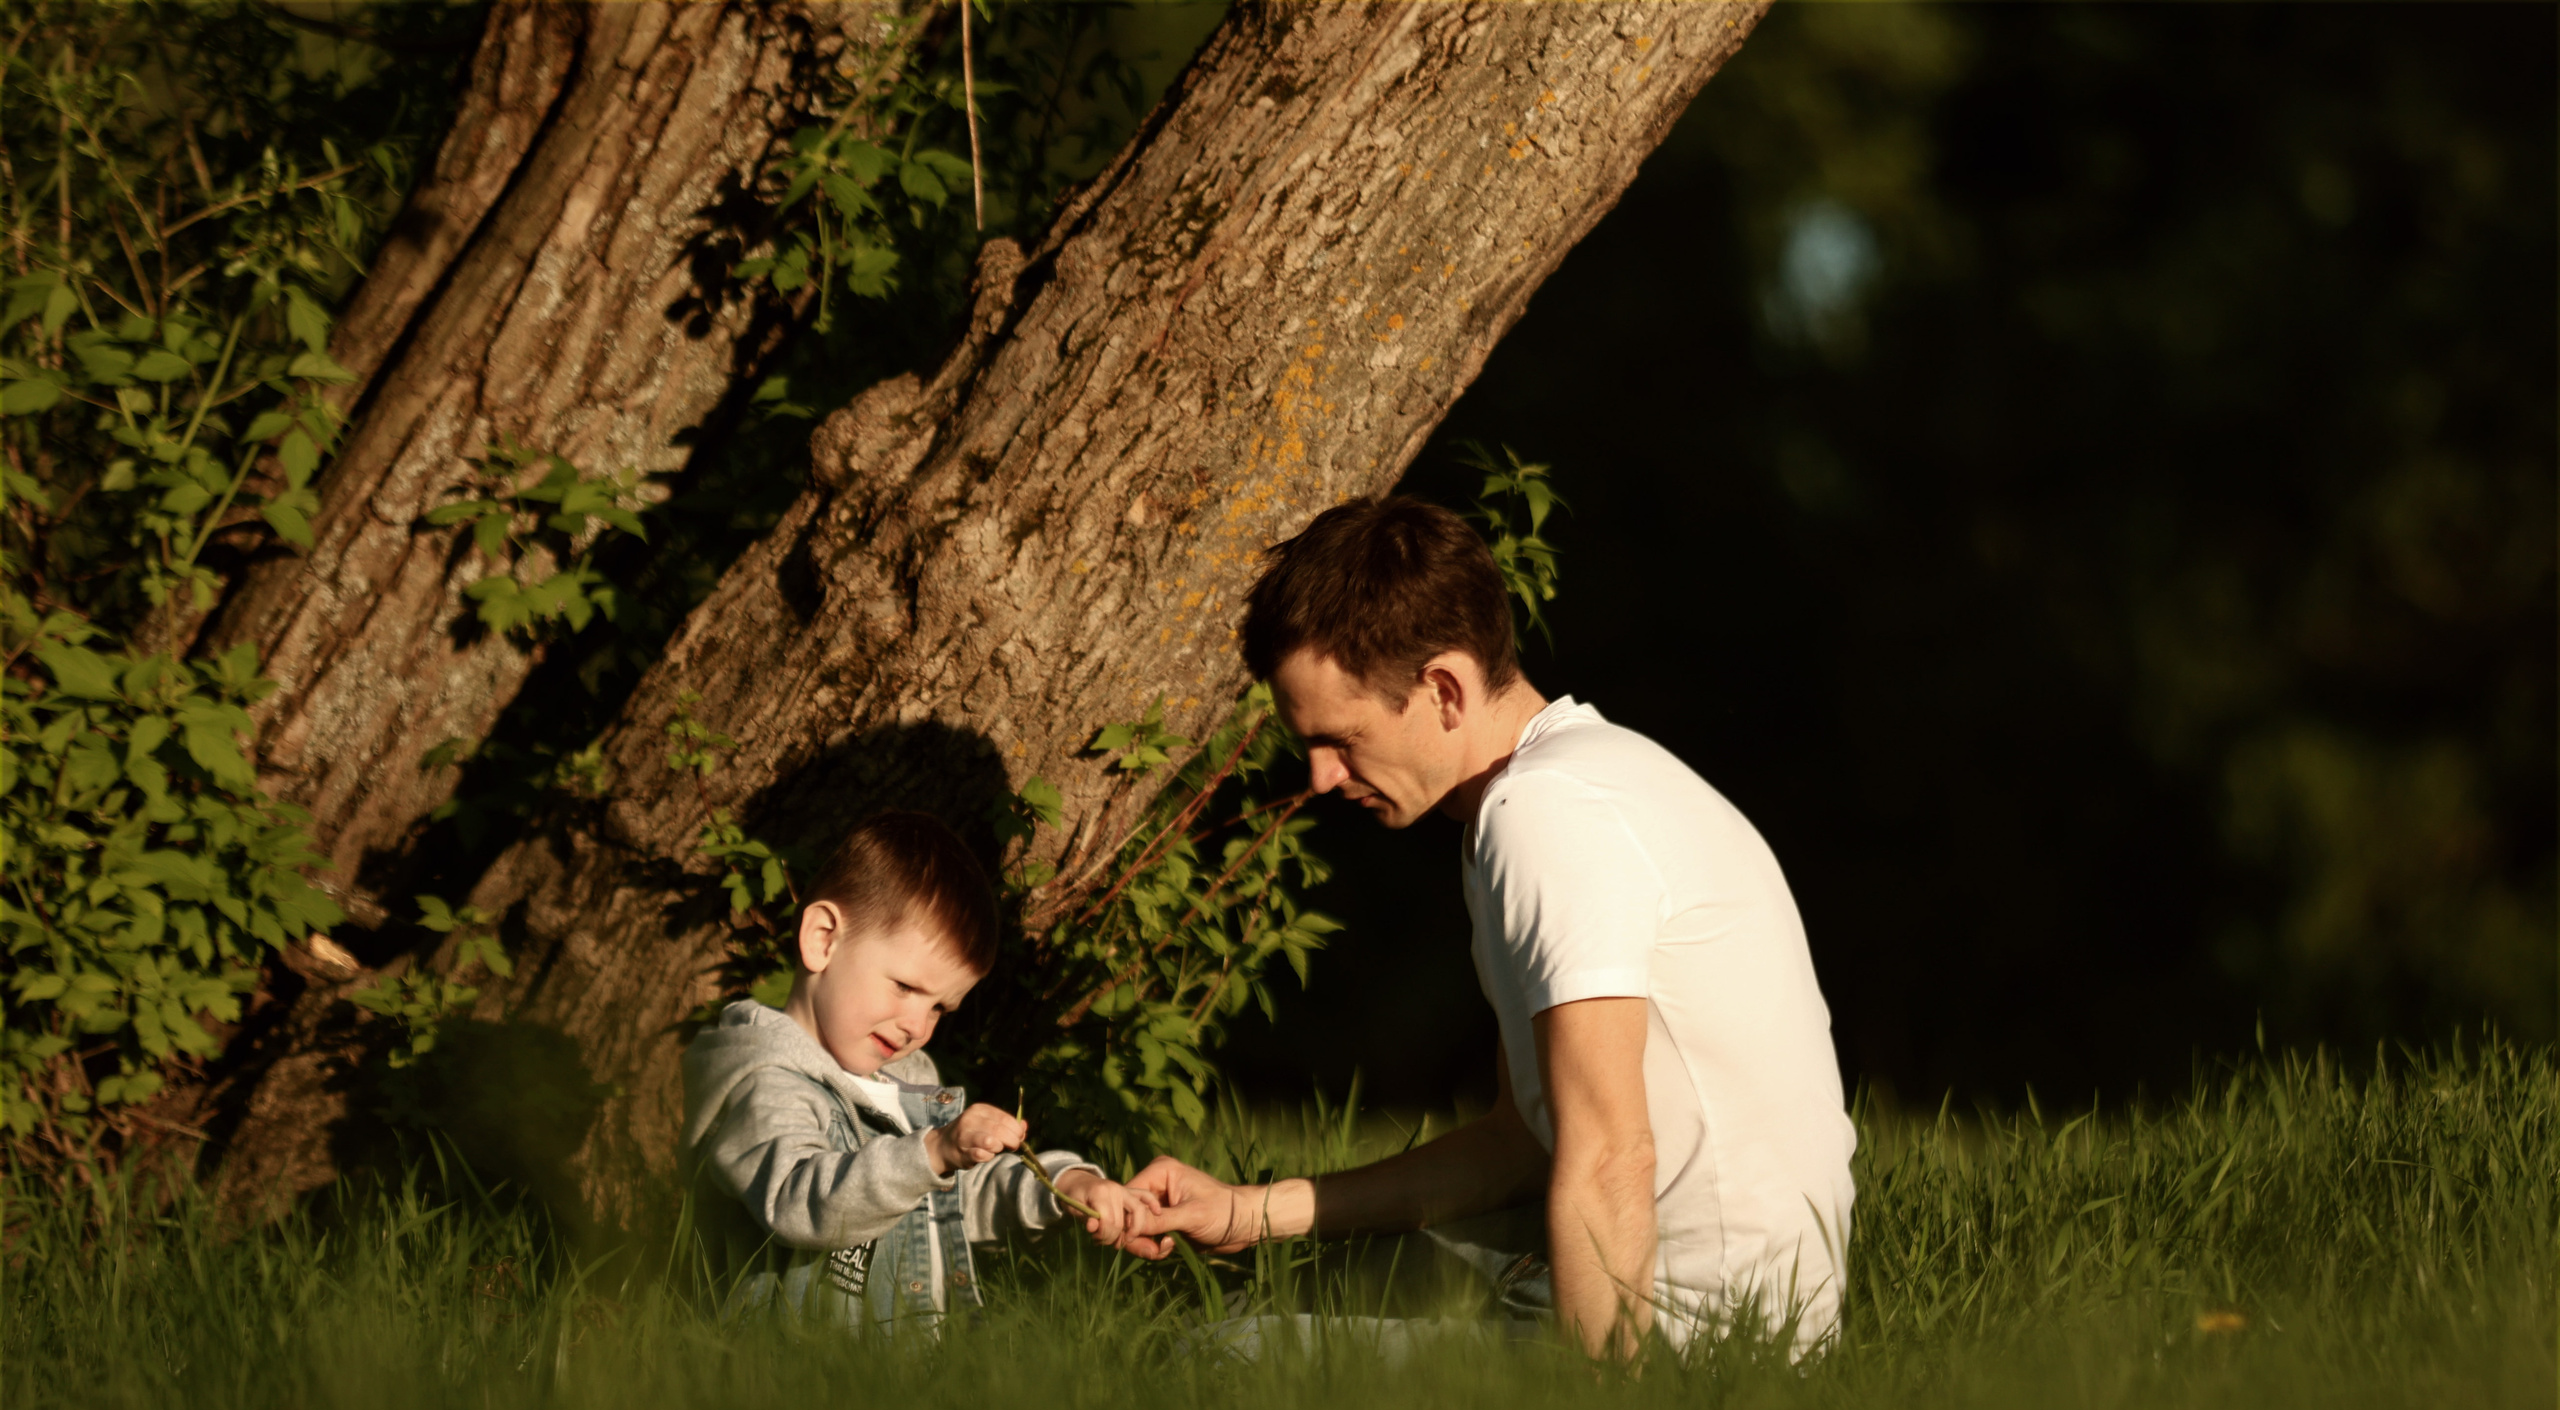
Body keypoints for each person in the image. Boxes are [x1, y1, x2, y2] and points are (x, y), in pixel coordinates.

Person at [1120, 497, 1859, 1358]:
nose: (1320, 776)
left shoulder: (1546, 813)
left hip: (1697, 1344)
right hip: (1679, 1300)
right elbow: (1521, 1146)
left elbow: (1611, 1155)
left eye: (1342, 738)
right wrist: (1246, 1213)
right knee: (1261, 1282)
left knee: (1210, 1356)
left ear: (1443, 689)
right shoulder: (1566, 785)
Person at [682, 810, 1154, 1328]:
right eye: (905, 987)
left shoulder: (907, 1083)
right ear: (822, 939)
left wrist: (1067, 1187)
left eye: (939, 1009)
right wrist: (930, 1153)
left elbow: (960, 1198)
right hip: (780, 1369)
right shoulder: (765, 1082)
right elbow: (797, 1200)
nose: (916, 1025)